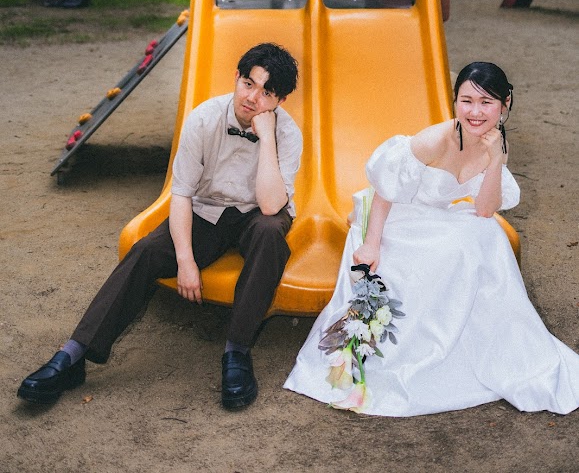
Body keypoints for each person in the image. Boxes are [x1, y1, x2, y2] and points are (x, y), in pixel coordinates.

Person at [18, 42, 302, 411]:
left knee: (269, 233)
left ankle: (237, 352)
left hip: (257, 213)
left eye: (266, 93)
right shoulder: (203, 119)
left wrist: (266, 140)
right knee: (146, 251)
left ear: (280, 100)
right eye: (249, 84)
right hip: (206, 210)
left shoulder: (288, 134)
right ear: (236, 77)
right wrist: (185, 261)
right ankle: (72, 356)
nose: (253, 98)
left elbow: (270, 205)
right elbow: (181, 194)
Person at [285, 62, 579, 416]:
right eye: (466, 101)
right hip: (392, 218)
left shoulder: (496, 143)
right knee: (464, 244)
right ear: (455, 101)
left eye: (486, 102)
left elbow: (486, 209)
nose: (475, 112)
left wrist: (495, 161)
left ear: (505, 104)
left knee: (487, 235)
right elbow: (384, 192)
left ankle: (498, 343)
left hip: (433, 218)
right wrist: (371, 244)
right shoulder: (434, 140)